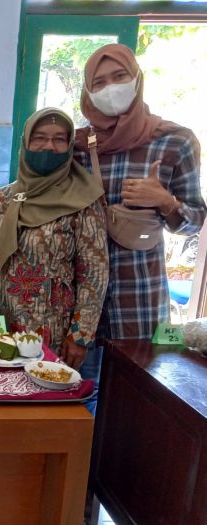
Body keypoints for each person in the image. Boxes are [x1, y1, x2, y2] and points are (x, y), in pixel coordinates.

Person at [74, 44, 206, 411]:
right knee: (78, 394)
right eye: (99, 82)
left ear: (137, 79)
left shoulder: (174, 141)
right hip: (82, 297)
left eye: (119, 77)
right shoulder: (80, 146)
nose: (110, 88)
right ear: (88, 92)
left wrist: (164, 200)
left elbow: (194, 221)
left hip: (139, 297)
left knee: (133, 404)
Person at [0, 108, 109, 369]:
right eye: (39, 138)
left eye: (59, 139)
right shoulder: (2, 199)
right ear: (26, 142)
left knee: (39, 405)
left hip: (51, 332)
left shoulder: (84, 202)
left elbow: (94, 274)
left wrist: (80, 335)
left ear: (68, 146)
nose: (48, 147)